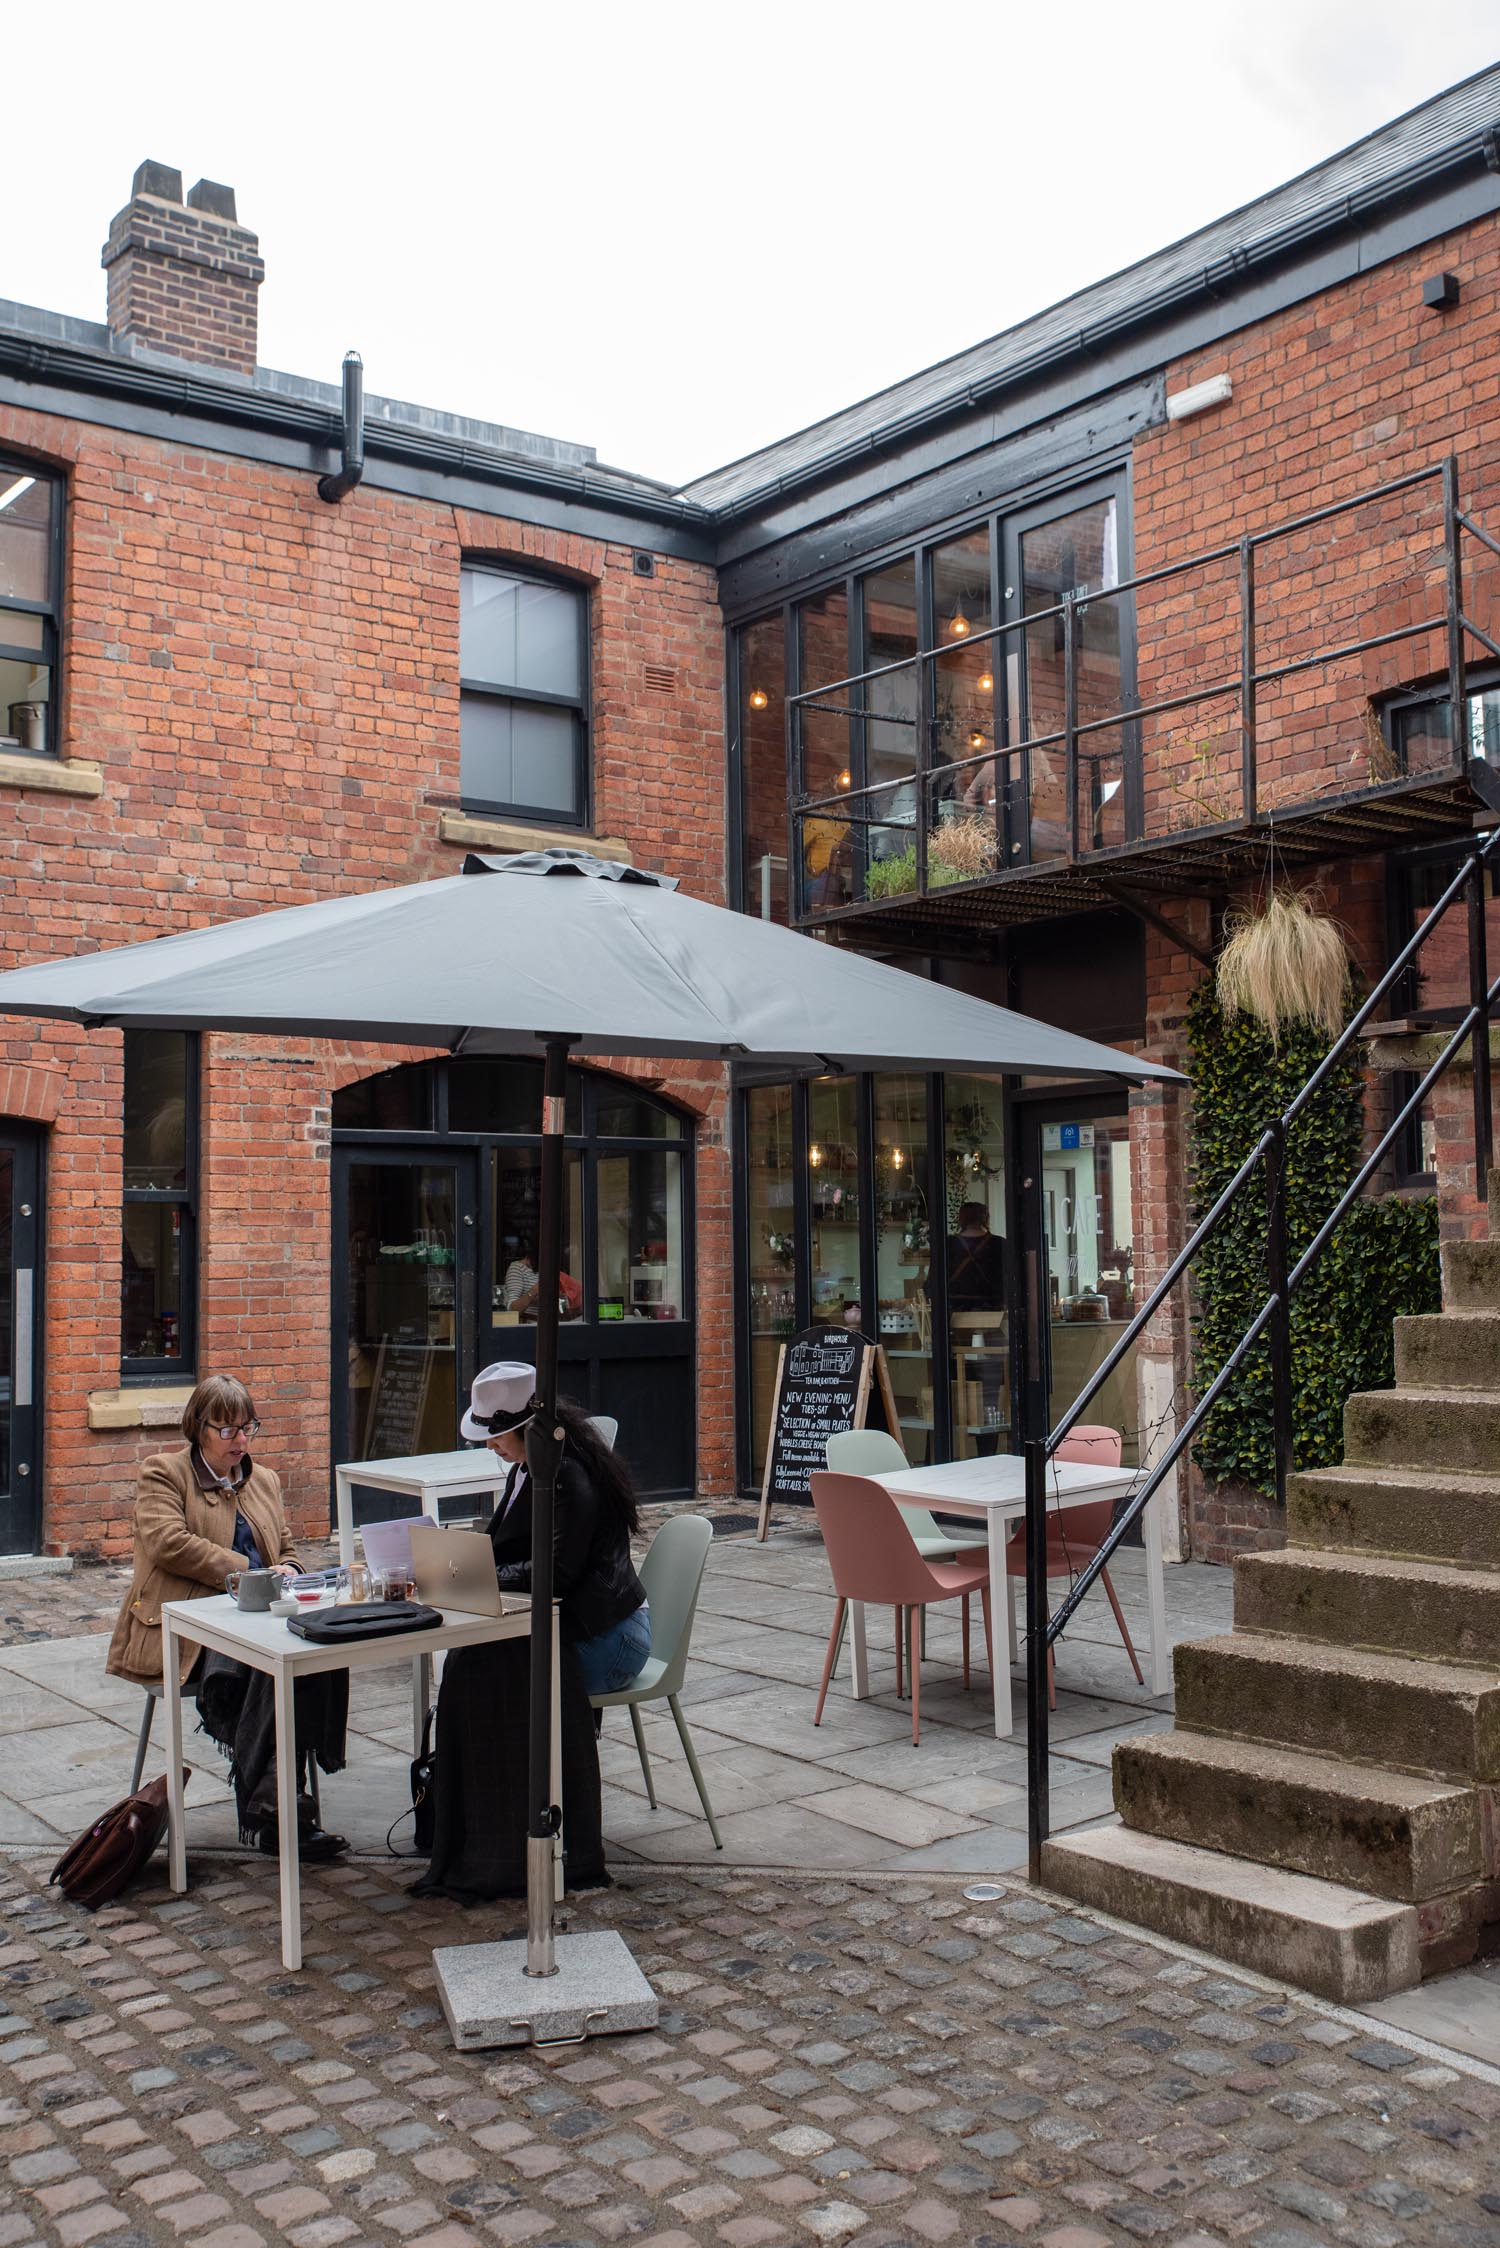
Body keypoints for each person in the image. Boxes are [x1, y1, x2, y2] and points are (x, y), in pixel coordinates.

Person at [412, 1363, 651, 1902]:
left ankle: (501, 1835)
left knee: (490, 1671)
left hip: (608, 1638)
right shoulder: (528, 1469)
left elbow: (557, 1575)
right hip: (574, 1622)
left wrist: (473, 1576)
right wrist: (450, 1565)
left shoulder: (570, 1477)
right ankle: (488, 1827)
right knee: (475, 1661)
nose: (492, 1445)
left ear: (525, 1428)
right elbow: (510, 1548)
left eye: (496, 1434)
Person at [106, 1375, 348, 1861]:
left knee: (312, 1650)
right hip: (184, 1633)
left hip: (256, 1622)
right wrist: (251, 1572)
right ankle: (281, 1808)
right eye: (227, 1430)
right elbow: (167, 1542)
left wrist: (293, 1572)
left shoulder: (264, 1480)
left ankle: (274, 1801)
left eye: (248, 1428)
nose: (240, 1441)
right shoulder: (163, 1473)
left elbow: (289, 1550)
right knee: (262, 1663)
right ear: (198, 1428)